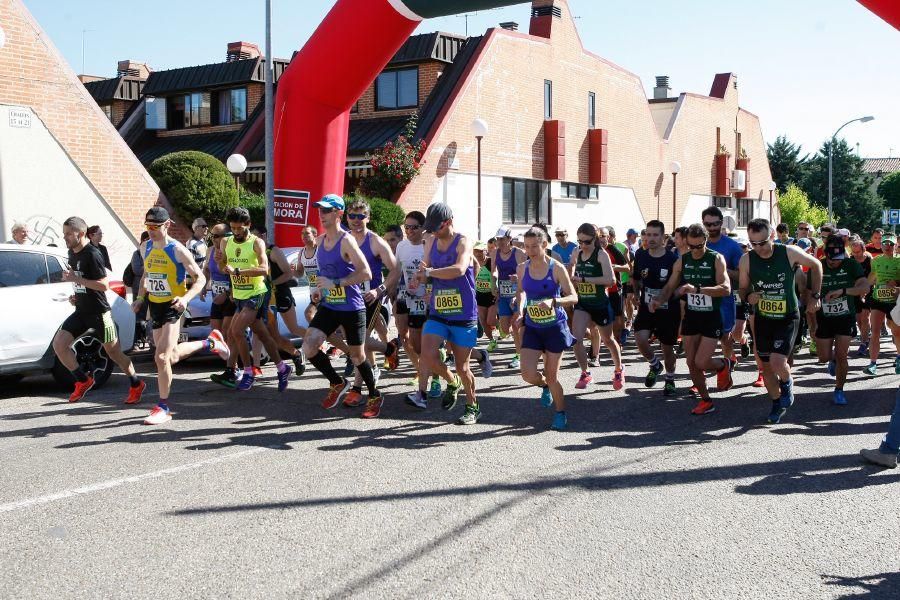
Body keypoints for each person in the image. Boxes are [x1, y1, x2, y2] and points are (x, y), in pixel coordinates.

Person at [134, 207, 228, 425]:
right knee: (171, 356)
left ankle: (163, 407)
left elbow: (200, 279)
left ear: (167, 225)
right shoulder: (145, 246)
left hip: (173, 307)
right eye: (148, 226)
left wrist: (185, 299)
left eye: (155, 227)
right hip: (155, 306)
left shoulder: (177, 250)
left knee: (161, 358)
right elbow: (146, 276)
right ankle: (210, 342)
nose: (151, 231)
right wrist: (140, 298)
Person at [300, 195, 382, 416]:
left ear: (338, 213)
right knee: (309, 346)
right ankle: (337, 382)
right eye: (319, 210)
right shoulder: (320, 241)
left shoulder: (346, 240)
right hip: (330, 305)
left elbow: (366, 273)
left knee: (357, 357)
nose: (321, 214)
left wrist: (336, 283)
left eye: (326, 210)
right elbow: (324, 274)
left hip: (352, 308)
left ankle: (374, 394)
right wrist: (319, 290)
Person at [52, 216, 145, 404]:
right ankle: (83, 380)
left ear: (81, 233)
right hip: (81, 311)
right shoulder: (72, 253)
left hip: (100, 314)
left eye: (69, 234)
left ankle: (136, 383)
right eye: (64, 234)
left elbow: (103, 285)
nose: (65, 238)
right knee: (59, 345)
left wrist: (76, 280)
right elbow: (83, 282)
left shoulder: (92, 254)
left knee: (114, 353)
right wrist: (77, 295)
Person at [740, 218, 822, 424]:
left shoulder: (788, 252)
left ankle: (787, 381)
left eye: (762, 243)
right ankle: (776, 403)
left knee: (778, 362)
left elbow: (816, 265)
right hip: (763, 318)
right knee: (765, 367)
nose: (758, 248)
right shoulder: (747, 260)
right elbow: (743, 288)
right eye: (753, 244)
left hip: (787, 317)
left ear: (773, 236)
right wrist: (748, 296)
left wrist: (815, 295)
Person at [414, 202, 482, 424]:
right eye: (431, 228)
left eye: (437, 227)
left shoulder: (464, 241)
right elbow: (425, 265)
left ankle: (473, 406)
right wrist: (419, 275)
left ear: (449, 222)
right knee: (427, 356)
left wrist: (430, 272)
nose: (433, 232)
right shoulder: (431, 240)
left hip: (463, 313)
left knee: (463, 367)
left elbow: (460, 269)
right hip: (439, 310)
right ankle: (452, 382)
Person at [653, 224, 732, 415]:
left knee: (702, 362)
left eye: (699, 246)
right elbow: (670, 286)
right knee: (691, 362)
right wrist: (659, 300)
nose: (695, 250)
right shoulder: (682, 261)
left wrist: (696, 289)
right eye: (692, 246)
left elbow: (726, 288)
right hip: (691, 316)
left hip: (711, 317)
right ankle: (706, 401)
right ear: (686, 243)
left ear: (705, 240)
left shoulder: (716, 258)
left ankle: (724, 364)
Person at [219, 207, 293, 392]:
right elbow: (223, 267)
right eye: (233, 228)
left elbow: (263, 269)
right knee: (262, 334)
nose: (236, 232)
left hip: (257, 293)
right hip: (239, 296)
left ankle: (248, 372)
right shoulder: (226, 242)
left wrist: (238, 271)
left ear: (248, 225)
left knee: (236, 331)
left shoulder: (256, 242)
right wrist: (221, 262)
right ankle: (283, 368)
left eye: (240, 228)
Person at [340, 198, 400, 412]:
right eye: (352, 216)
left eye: (360, 216)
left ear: (368, 218)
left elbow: (395, 269)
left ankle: (357, 388)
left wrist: (379, 290)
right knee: (348, 340)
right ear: (346, 217)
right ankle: (388, 348)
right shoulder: (343, 238)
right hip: (347, 299)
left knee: (361, 343)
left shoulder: (375, 241)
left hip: (369, 299)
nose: (356, 220)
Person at [515, 227, 578, 430]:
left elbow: (573, 297)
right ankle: (543, 386)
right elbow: (522, 293)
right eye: (526, 247)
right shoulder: (522, 268)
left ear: (544, 245)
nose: (530, 250)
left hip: (554, 328)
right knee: (527, 374)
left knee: (552, 376)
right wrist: (520, 312)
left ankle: (561, 412)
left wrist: (554, 302)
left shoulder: (556, 268)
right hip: (532, 327)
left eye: (534, 246)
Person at [811, 235, 868, 405]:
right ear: (826, 254)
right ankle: (832, 359)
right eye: (833, 259)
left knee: (843, 355)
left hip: (845, 316)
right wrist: (812, 323)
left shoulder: (850, 264)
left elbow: (864, 286)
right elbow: (807, 295)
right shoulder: (818, 266)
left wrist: (843, 291)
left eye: (839, 258)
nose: (836, 262)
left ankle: (839, 389)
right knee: (823, 357)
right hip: (824, 318)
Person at [570, 223, 623, 390]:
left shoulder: (601, 255)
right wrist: (571, 278)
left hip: (600, 304)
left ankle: (618, 369)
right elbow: (572, 270)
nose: (583, 245)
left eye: (587, 242)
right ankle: (585, 373)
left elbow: (611, 281)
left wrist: (585, 280)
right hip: (583, 303)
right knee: (576, 339)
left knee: (608, 340)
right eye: (580, 242)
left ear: (595, 239)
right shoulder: (577, 252)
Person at [631, 220, 680, 396]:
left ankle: (670, 378)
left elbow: (677, 287)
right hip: (646, 307)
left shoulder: (672, 259)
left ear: (663, 237)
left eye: (654, 235)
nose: (650, 238)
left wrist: (663, 299)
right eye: (648, 234)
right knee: (640, 339)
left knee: (667, 347)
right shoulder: (641, 255)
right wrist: (635, 293)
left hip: (668, 309)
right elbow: (636, 277)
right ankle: (654, 364)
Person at [702, 207, 743, 367]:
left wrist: (721, 270)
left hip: (723, 301)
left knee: (725, 339)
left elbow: (741, 275)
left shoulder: (732, 247)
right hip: (700, 299)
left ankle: (727, 366)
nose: (712, 228)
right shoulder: (697, 243)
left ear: (721, 222)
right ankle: (699, 379)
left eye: (715, 224)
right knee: (701, 341)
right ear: (703, 223)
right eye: (708, 224)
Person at [204, 225, 241, 388]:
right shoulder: (210, 250)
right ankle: (233, 368)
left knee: (228, 333)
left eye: (218, 235)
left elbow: (237, 275)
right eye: (212, 235)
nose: (214, 239)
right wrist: (205, 285)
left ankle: (232, 370)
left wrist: (227, 293)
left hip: (230, 298)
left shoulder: (233, 250)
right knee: (216, 335)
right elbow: (206, 269)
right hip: (215, 298)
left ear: (227, 236)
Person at [863, 233, 900, 376]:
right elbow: (872, 277)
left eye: (891, 244)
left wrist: (896, 284)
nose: (887, 246)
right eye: (885, 243)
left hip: (895, 301)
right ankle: (872, 364)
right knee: (875, 332)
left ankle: (898, 358)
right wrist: (863, 290)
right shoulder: (876, 260)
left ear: (895, 245)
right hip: (878, 299)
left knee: (896, 332)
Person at [490, 226, 526, 370]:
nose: (499, 242)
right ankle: (523, 342)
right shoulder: (494, 253)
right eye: (498, 239)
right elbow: (494, 270)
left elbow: (527, 272)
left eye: (502, 239)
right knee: (504, 329)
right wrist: (493, 283)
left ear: (509, 239)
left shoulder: (519, 254)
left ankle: (519, 356)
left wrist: (518, 278)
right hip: (504, 294)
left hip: (518, 293)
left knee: (516, 327)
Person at [849, 236, 873, 357]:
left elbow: (874, 276)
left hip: (868, 291)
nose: (857, 254)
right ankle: (866, 337)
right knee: (858, 319)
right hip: (855, 291)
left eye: (859, 252)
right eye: (854, 252)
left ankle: (863, 343)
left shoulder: (869, 259)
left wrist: (866, 288)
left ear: (863, 249)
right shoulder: (851, 260)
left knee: (865, 317)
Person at [129, 231, 151, 351]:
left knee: (149, 316)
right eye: (146, 239)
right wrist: (150, 265)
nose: (148, 242)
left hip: (152, 289)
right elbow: (137, 269)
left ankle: (148, 339)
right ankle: (136, 342)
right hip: (139, 289)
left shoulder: (155, 252)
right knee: (138, 316)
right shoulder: (137, 254)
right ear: (141, 241)